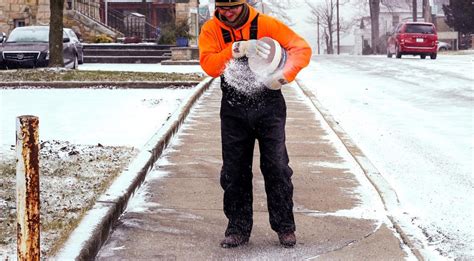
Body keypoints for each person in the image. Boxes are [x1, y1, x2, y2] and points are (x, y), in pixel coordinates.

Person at [198, 0, 311, 248]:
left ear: (244, 4)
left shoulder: (266, 24)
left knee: (277, 166)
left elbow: (301, 49)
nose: (227, 13)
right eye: (222, 9)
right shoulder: (211, 29)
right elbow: (209, 65)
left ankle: (285, 227)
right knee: (234, 170)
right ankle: (237, 228)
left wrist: (283, 76)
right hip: (233, 107)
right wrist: (235, 49)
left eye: (232, 8)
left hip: (269, 105)